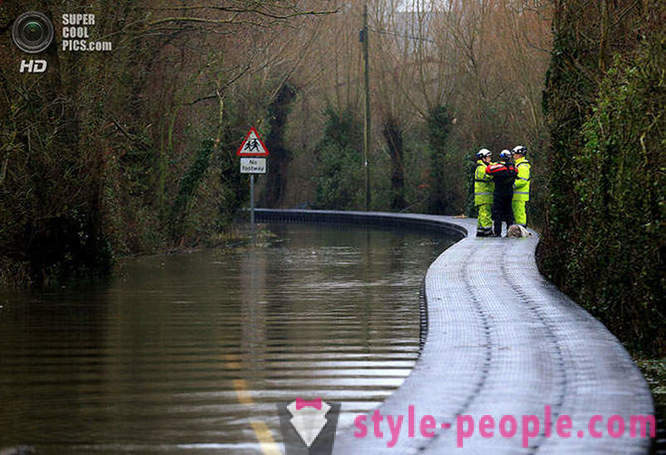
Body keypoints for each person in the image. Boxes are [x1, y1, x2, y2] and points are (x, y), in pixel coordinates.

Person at [486, 149, 517, 237]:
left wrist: (493, 164)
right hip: (509, 192)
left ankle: (497, 232)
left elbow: (488, 170)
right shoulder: (513, 168)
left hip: (499, 192)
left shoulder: (498, 167)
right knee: (509, 212)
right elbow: (516, 172)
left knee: (497, 213)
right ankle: (510, 231)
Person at [473, 148, 494, 237]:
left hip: (485, 196)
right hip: (483, 197)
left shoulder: (484, 167)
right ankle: (488, 230)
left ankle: (480, 230)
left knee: (482, 213)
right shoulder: (481, 168)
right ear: (483, 158)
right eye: (488, 157)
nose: (490, 159)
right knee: (485, 213)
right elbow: (489, 176)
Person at [511, 145, 531, 227]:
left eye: (515, 154)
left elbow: (522, 180)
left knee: (520, 213)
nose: (513, 156)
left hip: (520, 195)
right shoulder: (519, 164)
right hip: (517, 195)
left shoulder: (522, 166)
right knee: (517, 212)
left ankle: (522, 229)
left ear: (519, 155)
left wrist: (511, 185)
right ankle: (519, 228)